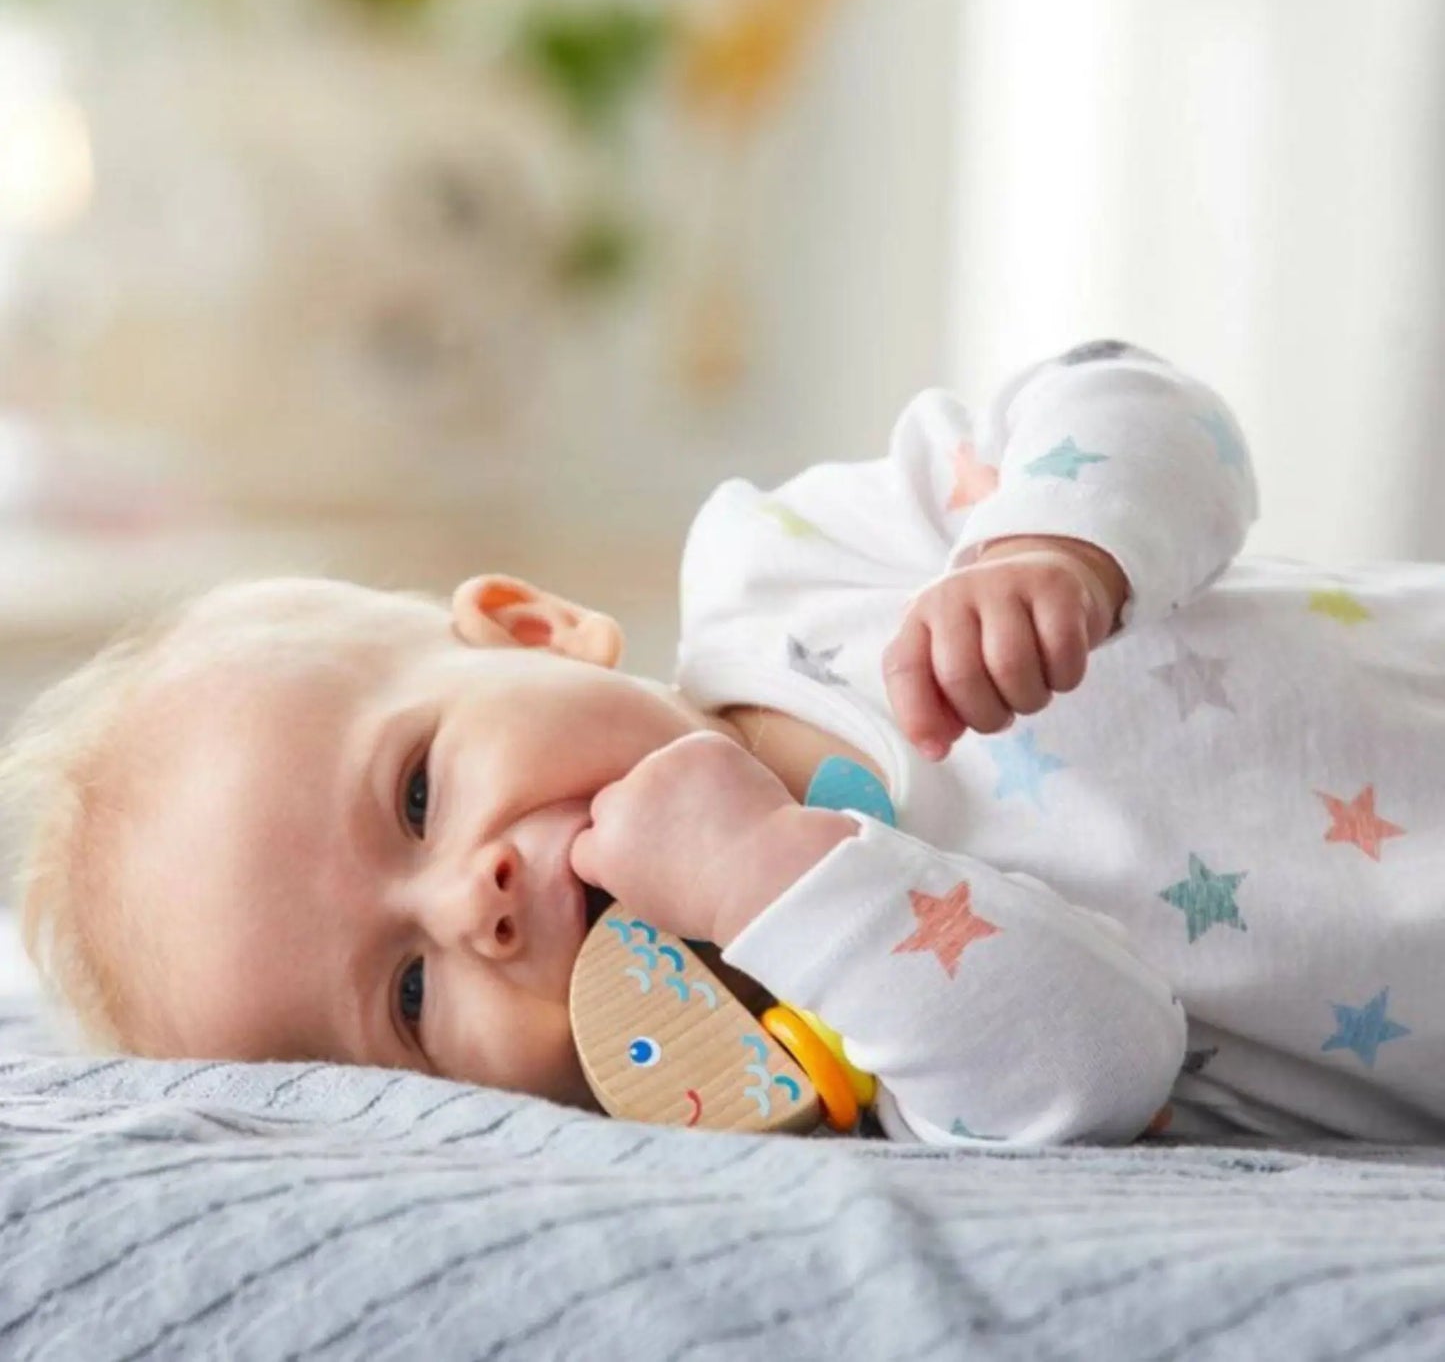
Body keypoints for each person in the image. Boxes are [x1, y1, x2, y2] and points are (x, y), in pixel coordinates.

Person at [6, 340, 1443, 1147]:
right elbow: (1103, 1062)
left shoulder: (797, 568)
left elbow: (1144, 401)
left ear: (532, 627)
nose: (470, 902)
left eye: (420, 793)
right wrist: (776, 879)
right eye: (404, 993)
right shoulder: (837, 1071)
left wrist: (1054, 541)